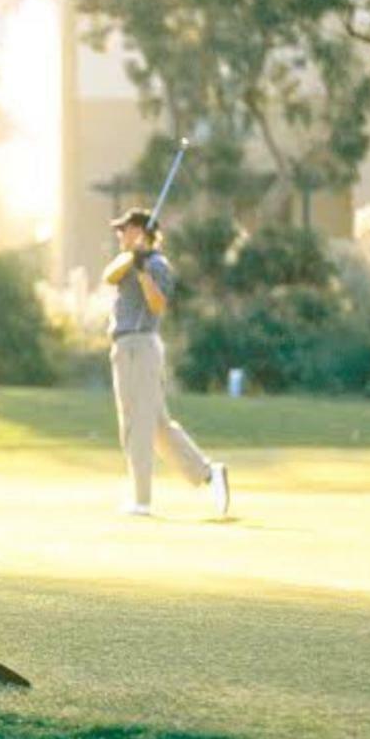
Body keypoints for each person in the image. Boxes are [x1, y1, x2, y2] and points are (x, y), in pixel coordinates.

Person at [102, 206, 229, 517]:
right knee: (158, 427)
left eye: (125, 229)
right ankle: (209, 473)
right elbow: (109, 276)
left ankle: (141, 500)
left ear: (141, 231)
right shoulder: (126, 260)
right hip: (126, 348)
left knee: (138, 426)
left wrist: (143, 269)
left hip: (138, 345)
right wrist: (133, 257)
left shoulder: (157, 265)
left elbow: (157, 305)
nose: (120, 234)